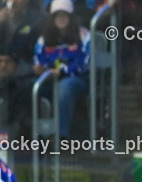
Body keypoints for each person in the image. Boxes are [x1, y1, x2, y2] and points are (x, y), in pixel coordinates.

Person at [32, 0, 90, 140]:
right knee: (30, 87)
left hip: (78, 80)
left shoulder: (84, 35)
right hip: (48, 79)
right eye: (57, 15)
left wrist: (62, 71)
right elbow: (38, 59)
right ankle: (31, 136)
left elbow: (85, 63)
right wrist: (41, 70)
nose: (61, 18)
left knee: (64, 87)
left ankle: (60, 136)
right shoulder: (43, 39)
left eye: (65, 15)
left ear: (71, 17)